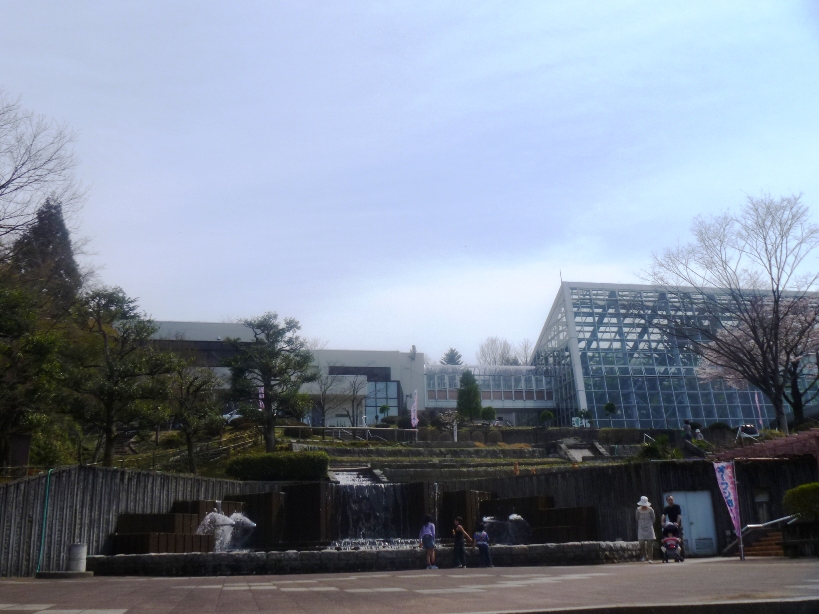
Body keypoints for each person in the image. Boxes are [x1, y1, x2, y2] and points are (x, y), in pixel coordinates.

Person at [661, 495, 684, 560]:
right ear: (667, 501)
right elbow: (663, 515)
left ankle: (682, 555)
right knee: (669, 539)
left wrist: (677, 522)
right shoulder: (667, 508)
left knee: (679, 540)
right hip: (671, 525)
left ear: (673, 499)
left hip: (677, 525)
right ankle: (670, 554)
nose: (670, 501)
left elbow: (679, 515)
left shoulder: (677, 506)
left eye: (671, 499)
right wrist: (662, 522)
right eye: (669, 500)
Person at [636, 496, 656, 563]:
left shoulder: (650, 509)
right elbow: (637, 518)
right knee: (641, 542)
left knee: (650, 543)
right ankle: (644, 556)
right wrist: (642, 523)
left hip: (649, 527)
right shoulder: (638, 510)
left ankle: (650, 558)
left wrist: (649, 524)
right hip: (641, 527)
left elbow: (653, 518)